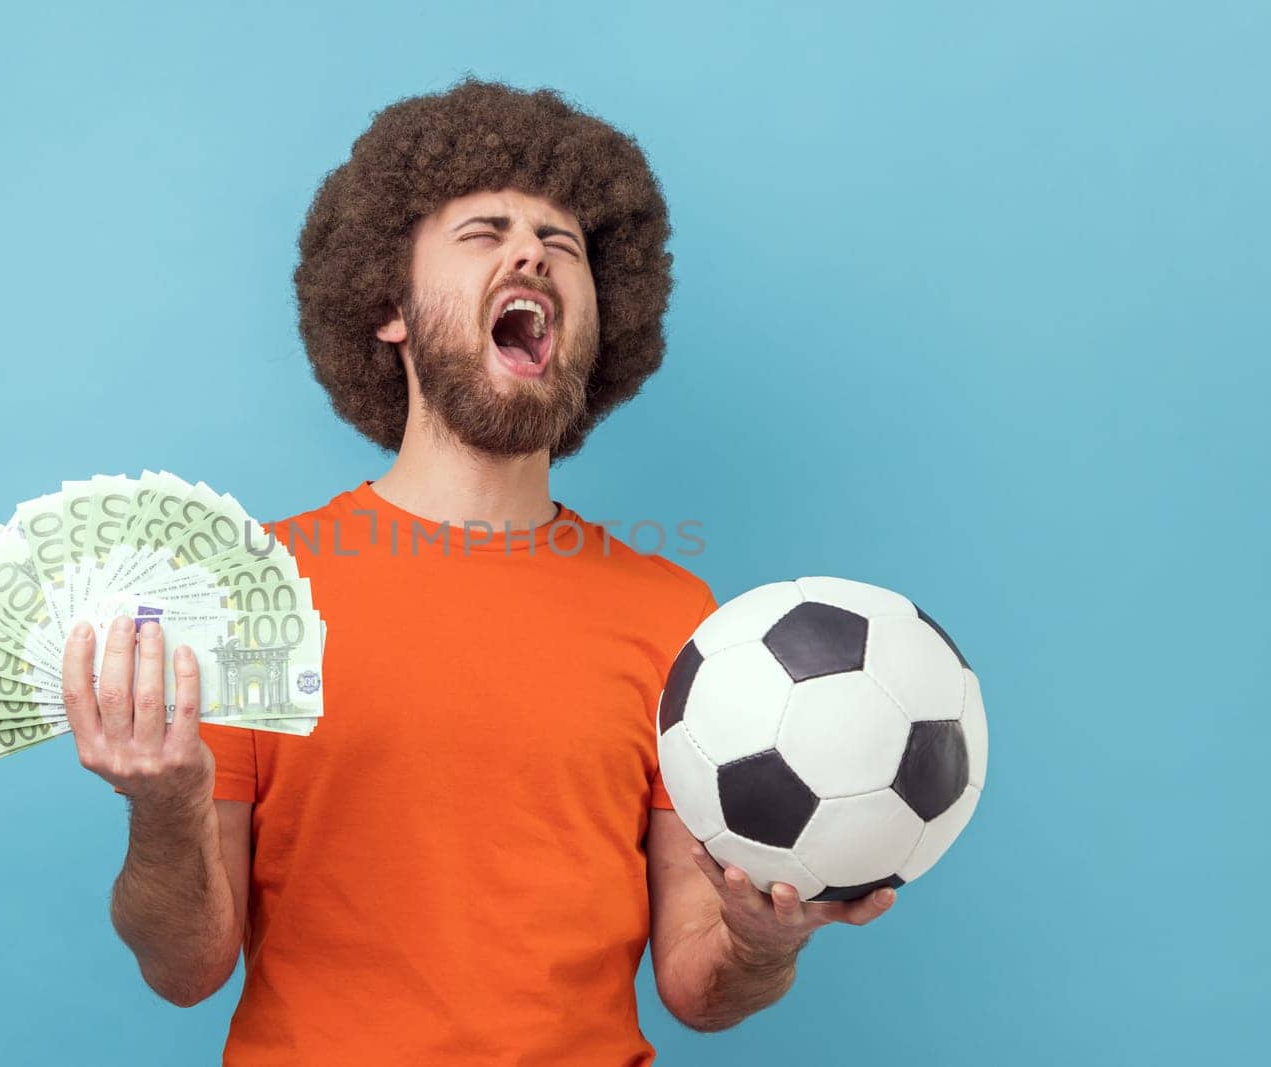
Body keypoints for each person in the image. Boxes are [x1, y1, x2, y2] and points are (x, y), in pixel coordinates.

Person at [59, 77, 894, 1065]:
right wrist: (162, 804)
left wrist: (761, 945)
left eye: (563, 243)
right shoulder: (258, 589)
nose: (531, 250)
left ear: (595, 319)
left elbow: (694, 985)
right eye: (483, 231)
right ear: (389, 310)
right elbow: (185, 966)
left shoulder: (677, 617)